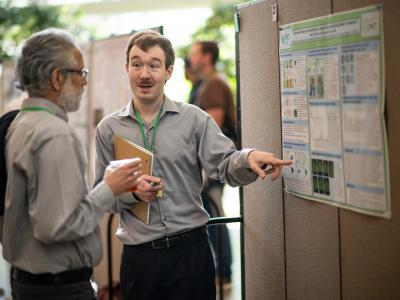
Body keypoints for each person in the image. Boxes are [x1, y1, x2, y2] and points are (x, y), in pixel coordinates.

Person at [94, 30, 292, 300]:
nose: (144, 74)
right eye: (137, 64)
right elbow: (102, 194)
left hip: (190, 253)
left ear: (168, 71)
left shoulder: (194, 120)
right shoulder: (109, 129)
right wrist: (133, 193)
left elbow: (224, 163)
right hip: (140, 260)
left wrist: (248, 156)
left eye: (153, 65)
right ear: (126, 68)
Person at [2, 28, 142, 300]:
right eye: (80, 73)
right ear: (57, 78)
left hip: (30, 283)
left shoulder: (18, 124)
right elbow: (58, 226)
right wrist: (108, 188)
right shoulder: (54, 134)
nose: (84, 82)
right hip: (58, 288)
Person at [189, 40, 236, 285]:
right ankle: (221, 269)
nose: (190, 58)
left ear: (207, 57)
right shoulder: (204, 83)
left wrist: (205, 168)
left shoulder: (214, 83)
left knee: (216, 215)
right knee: (212, 215)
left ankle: (225, 272)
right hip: (207, 165)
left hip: (214, 164)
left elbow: (213, 130)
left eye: (194, 54)